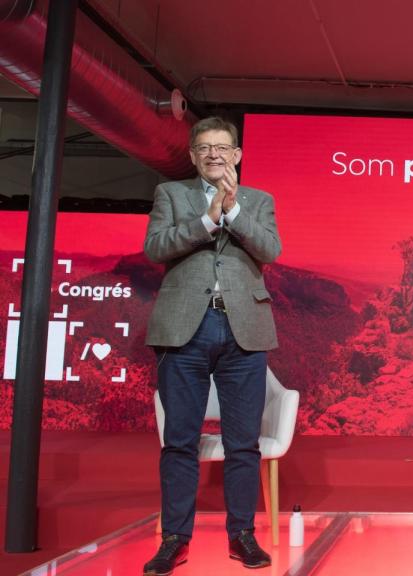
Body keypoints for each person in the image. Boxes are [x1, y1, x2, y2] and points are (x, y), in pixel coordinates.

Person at [142, 116, 282, 575]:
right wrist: (208, 218)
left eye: (222, 148)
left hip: (243, 327)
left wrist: (234, 209)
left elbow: (269, 250)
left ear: (237, 154)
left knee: (243, 443)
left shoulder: (259, 201)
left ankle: (242, 535)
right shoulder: (171, 195)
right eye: (204, 148)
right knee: (179, 441)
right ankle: (174, 539)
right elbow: (157, 248)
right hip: (185, 327)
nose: (214, 155)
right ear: (194, 155)